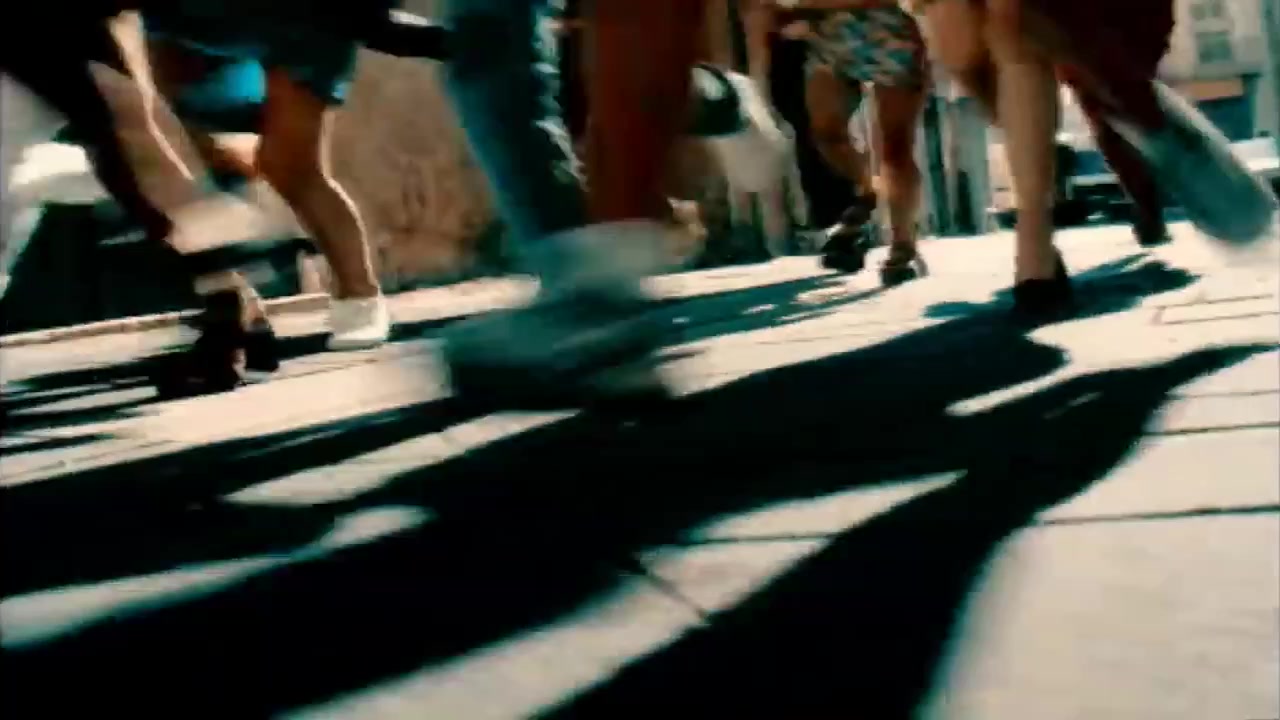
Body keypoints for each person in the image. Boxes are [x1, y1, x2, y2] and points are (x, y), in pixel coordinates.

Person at [132, 1, 393, 394]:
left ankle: (360, 297)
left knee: (292, 166)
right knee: (181, 151)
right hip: (187, 20)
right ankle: (240, 308)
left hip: (299, 21)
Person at [741, 0, 930, 284]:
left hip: (888, 31)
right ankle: (868, 193)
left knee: (896, 148)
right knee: (826, 135)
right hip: (830, 36)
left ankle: (903, 247)